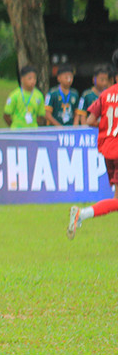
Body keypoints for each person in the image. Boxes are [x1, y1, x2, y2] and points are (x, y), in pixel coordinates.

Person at [68, 49, 118, 238]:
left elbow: (90, 121)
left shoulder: (105, 95)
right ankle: (82, 213)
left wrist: (105, 125)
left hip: (109, 150)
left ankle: (82, 214)